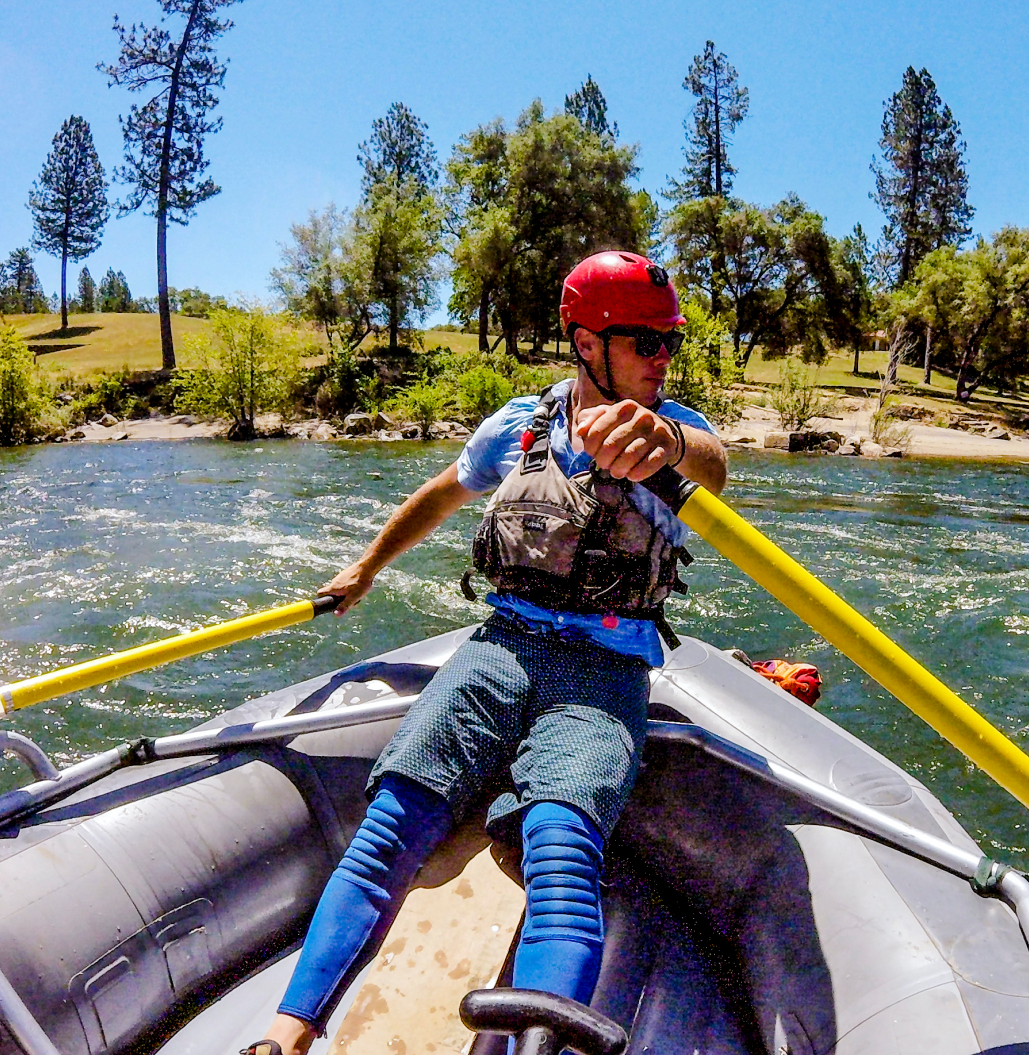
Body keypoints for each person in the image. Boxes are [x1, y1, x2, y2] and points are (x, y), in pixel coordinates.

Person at [244, 251, 728, 1055]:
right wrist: (365, 567)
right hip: (500, 647)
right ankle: (286, 1033)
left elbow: (714, 470)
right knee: (391, 822)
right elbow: (441, 492)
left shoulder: (676, 435)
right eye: (644, 340)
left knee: (564, 850)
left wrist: (665, 439)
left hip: (604, 671)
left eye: (669, 342)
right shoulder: (518, 427)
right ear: (584, 342)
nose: (662, 358)